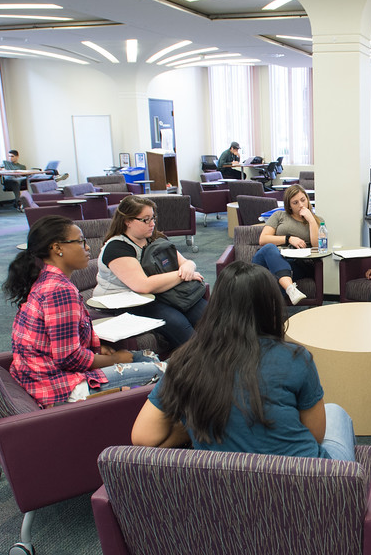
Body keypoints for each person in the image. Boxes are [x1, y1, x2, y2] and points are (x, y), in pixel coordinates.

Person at [130, 261, 357, 462]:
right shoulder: (296, 358)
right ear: (272, 307)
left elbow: (142, 437)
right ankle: (350, 493)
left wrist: (191, 426)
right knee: (336, 412)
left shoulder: (185, 361)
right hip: (302, 485)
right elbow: (314, 436)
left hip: (227, 494)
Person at [3, 216, 165, 407]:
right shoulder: (59, 291)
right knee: (168, 373)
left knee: (147, 356)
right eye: (80, 242)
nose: (87, 248)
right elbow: (68, 358)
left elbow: (61, 340)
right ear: (57, 248)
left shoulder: (47, 279)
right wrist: (113, 359)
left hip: (43, 377)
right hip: (61, 386)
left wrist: (95, 348)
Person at [92, 194, 208, 350]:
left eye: (153, 218)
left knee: (209, 317)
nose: (152, 223)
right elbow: (143, 286)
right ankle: (202, 366)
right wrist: (182, 275)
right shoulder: (117, 247)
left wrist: (189, 266)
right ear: (127, 221)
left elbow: (185, 262)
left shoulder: (155, 239)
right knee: (179, 325)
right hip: (128, 302)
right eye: (145, 219)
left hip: (159, 295)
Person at [253, 183, 325, 306]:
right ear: (289, 205)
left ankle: (270, 315)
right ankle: (291, 289)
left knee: (273, 278)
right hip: (271, 257)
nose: (301, 205)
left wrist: (311, 220)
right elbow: (263, 239)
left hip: (298, 263)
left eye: (303, 200)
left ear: (308, 199)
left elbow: (317, 247)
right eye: (295, 203)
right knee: (269, 248)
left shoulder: (318, 220)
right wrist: (289, 239)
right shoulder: (279, 216)